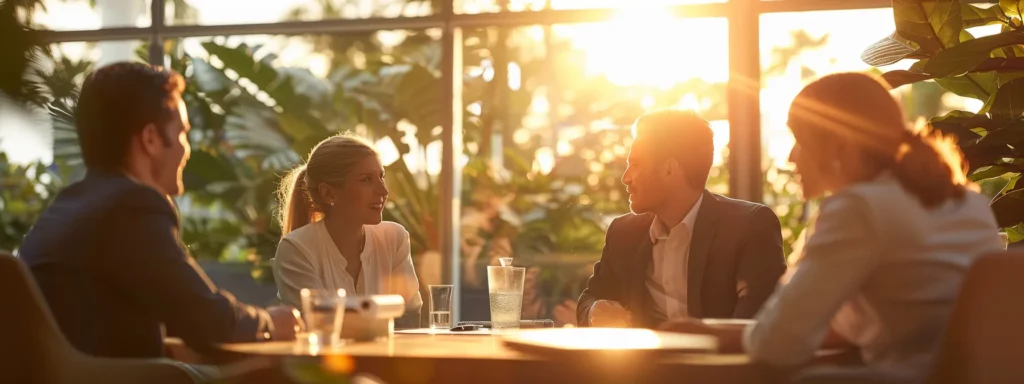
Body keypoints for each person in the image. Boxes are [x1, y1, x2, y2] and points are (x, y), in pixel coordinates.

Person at [660, 73, 1002, 380]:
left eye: (799, 139)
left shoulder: (859, 208)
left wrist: (708, 334)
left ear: (839, 144)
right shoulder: (966, 201)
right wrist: (713, 328)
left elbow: (778, 346)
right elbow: (835, 331)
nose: (791, 157)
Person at [18, 62, 296, 359]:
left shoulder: (67, 207)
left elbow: (171, 312)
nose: (186, 150)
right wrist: (270, 323)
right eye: (181, 134)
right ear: (150, 139)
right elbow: (208, 321)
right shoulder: (131, 207)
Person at [576, 109, 787, 328]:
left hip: (717, 360)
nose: (625, 178)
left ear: (669, 169)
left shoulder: (749, 226)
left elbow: (757, 322)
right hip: (643, 361)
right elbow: (590, 298)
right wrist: (594, 311)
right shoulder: (624, 232)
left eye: (635, 164)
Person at [272, 134, 423, 327]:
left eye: (381, 176)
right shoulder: (296, 248)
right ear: (329, 193)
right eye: (366, 179)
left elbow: (409, 318)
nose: (383, 191)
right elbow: (316, 328)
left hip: (389, 357)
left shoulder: (394, 238)